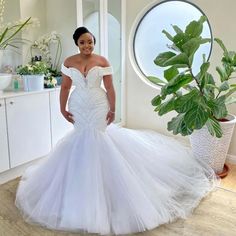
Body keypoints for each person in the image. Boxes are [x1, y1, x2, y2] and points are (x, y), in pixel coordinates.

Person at [15, 27, 219, 235]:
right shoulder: (69, 62)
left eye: (90, 41)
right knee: (81, 141)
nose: (87, 45)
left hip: (98, 104)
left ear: (94, 42)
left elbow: (110, 88)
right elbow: (66, 88)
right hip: (78, 105)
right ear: (77, 43)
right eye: (83, 42)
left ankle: (109, 191)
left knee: (99, 139)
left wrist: (113, 109)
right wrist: (62, 108)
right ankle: (80, 190)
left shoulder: (102, 61)